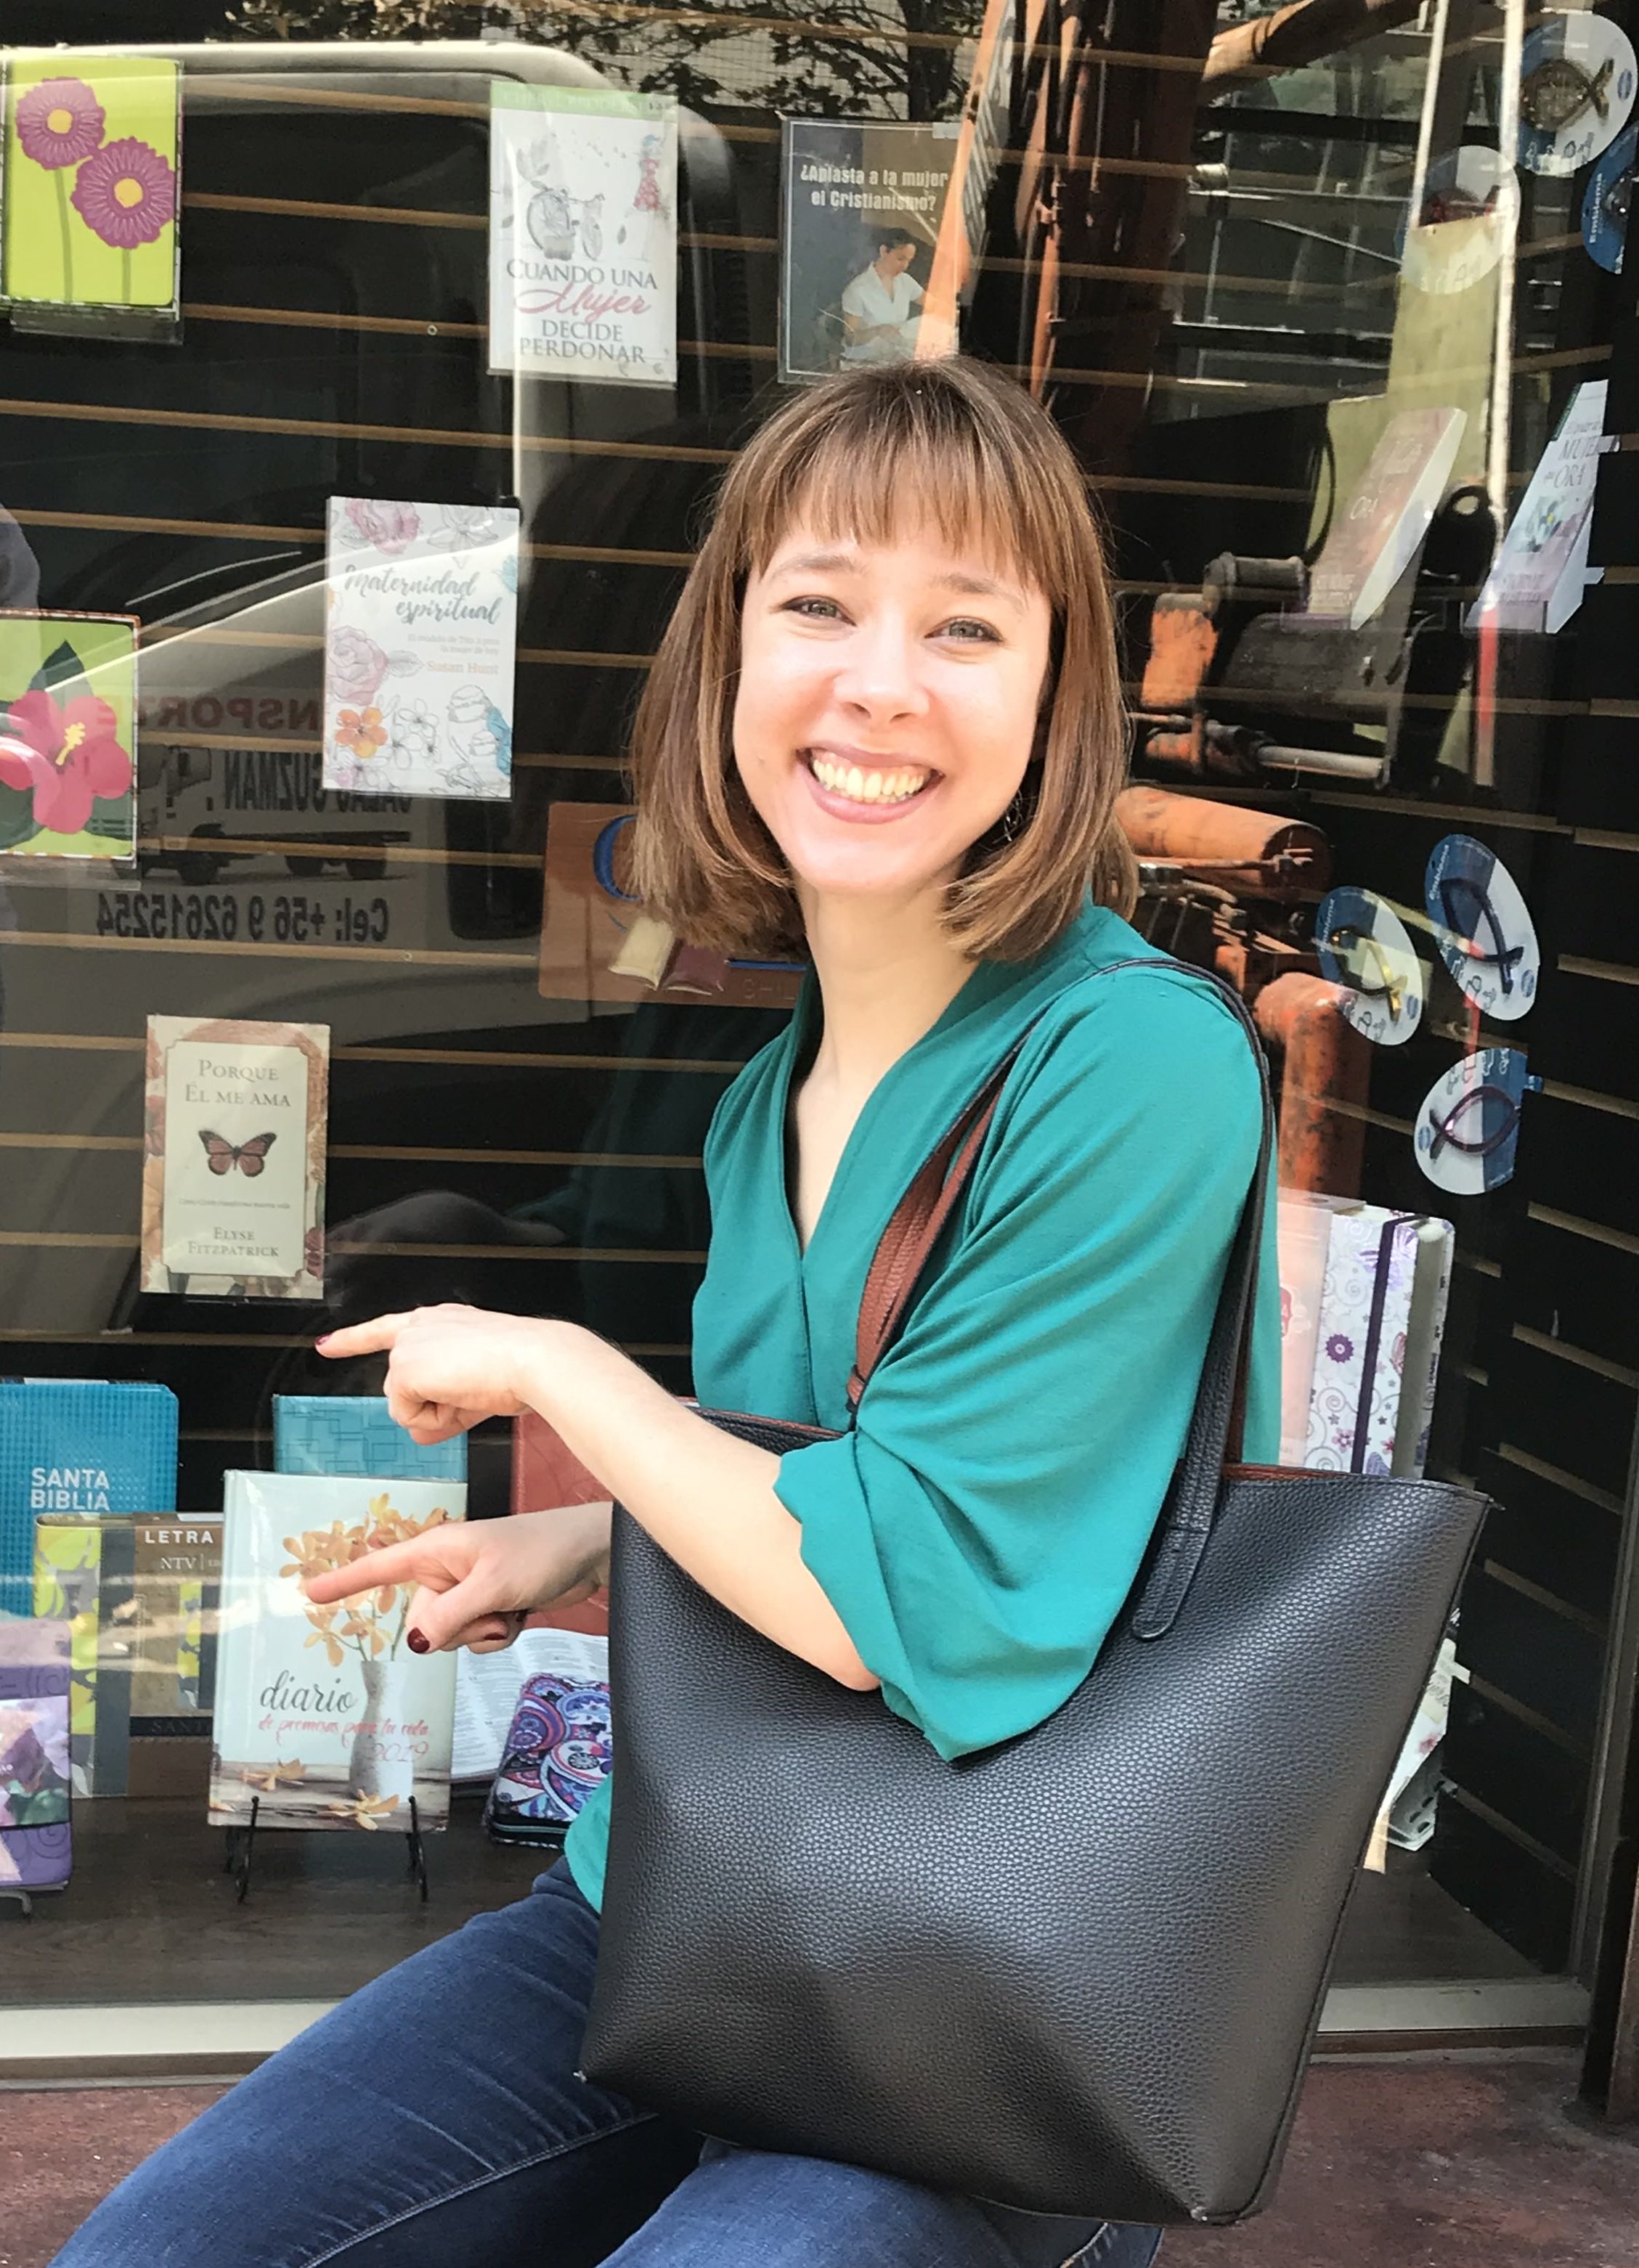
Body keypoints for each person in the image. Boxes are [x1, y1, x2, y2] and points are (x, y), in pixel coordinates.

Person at [49, 358, 1280, 2268]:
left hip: (986, 1993)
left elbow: (912, 1595)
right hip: (692, 1905)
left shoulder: (1134, 1063)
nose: (879, 680)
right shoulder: (757, 1098)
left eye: (965, 625)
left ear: (1055, 702)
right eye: (819, 604)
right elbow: (828, 1473)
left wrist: (560, 1368)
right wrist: (575, 1532)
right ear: (725, 659)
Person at [839, 227, 925, 364]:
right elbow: (851, 338)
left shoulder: (905, 281)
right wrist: (878, 331)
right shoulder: (857, 290)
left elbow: (933, 305)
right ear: (884, 251)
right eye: (900, 259)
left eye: (909, 260)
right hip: (865, 363)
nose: (905, 266)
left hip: (895, 356)